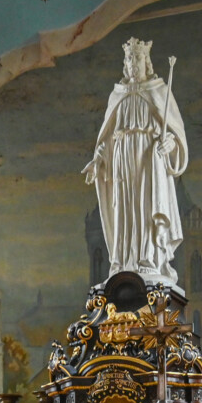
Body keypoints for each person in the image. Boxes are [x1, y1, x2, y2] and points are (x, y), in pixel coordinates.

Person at [83, 37, 188, 287]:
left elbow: (176, 133)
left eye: (137, 58)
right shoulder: (116, 95)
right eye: (129, 59)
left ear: (146, 62)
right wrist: (98, 160)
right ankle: (123, 261)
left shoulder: (159, 91)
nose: (132, 63)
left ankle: (148, 258)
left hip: (149, 161)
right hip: (122, 163)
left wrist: (170, 144)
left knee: (145, 205)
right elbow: (107, 137)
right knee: (124, 210)